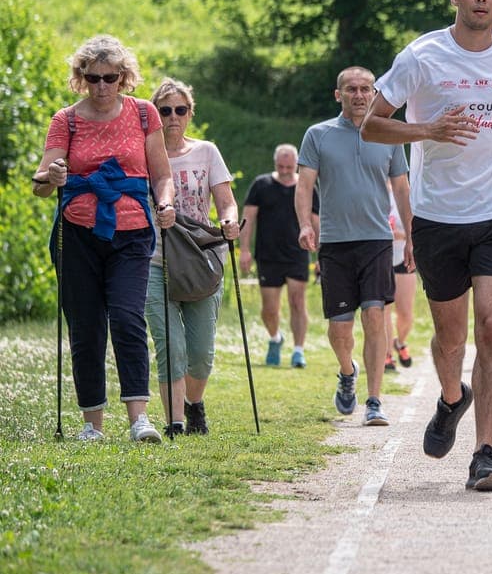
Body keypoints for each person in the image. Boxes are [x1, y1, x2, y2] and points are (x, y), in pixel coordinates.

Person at [361, 0, 492, 492]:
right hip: (439, 217)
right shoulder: (422, 55)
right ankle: (452, 398)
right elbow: (372, 126)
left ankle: (486, 453)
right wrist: (428, 132)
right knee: (450, 340)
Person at [32, 34, 176, 443]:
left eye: (109, 78)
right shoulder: (66, 119)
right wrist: (52, 177)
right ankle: (92, 424)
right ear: (80, 77)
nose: (100, 86)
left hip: (131, 233)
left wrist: (165, 204)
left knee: (128, 318)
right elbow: (41, 181)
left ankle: (139, 419)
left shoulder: (145, 114)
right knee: (86, 326)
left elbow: (161, 175)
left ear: (123, 77)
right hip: (78, 234)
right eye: (92, 78)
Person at [296, 66, 412, 427]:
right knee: (340, 328)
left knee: (375, 315)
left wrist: (412, 235)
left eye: (366, 89)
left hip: (377, 240)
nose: (359, 95)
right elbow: (304, 187)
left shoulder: (389, 136)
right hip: (335, 242)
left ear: (375, 94)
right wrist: (304, 224)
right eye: (352, 89)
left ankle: (375, 400)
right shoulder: (318, 135)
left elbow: (403, 189)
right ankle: (347, 373)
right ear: (339, 95)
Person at [145, 78, 240, 437]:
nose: (172, 117)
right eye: (164, 110)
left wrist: (229, 220)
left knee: (200, 352)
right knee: (170, 343)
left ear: (190, 114)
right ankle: (175, 422)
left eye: (180, 110)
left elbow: (225, 199)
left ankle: (194, 402)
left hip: (201, 257)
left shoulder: (207, 151)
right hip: (155, 258)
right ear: (155, 115)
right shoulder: (143, 155)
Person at [239, 144, 318, 368]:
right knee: (270, 309)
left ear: (296, 165)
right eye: (280, 166)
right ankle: (275, 338)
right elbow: (248, 219)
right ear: (275, 164)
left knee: (297, 302)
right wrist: (244, 250)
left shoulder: (307, 187)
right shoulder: (261, 185)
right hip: (268, 255)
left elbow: (316, 222)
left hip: (297, 254)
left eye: (289, 167)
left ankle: (298, 350)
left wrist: (321, 254)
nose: (284, 171)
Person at [384, 181, 416, 372]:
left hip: (403, 256)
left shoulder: (406, 193)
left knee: (405, 313)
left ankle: (400, 342)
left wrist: (401, 235)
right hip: (381, 257)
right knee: (384, 310)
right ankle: (387, 355)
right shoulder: (373, 190)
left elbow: (416, 227)